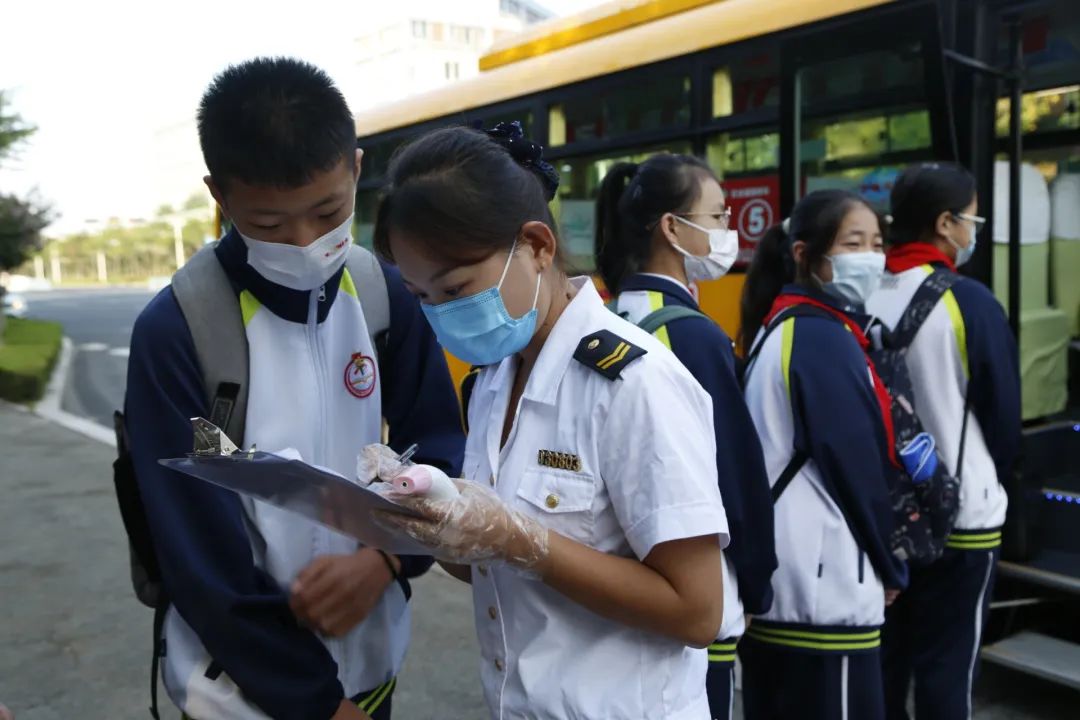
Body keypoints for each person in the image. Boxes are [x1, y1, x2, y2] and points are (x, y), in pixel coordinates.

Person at [124, 58, 464, 720]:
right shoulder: (181, 331)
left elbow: (442, 446)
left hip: (370, 667)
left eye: (328, 211)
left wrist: (386, 561)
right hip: (242, 696)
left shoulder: (381, 294)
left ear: (357, 168)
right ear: (218, 195)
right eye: (271, 225)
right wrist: (314, 703)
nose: (306, 243)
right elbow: (198, 551)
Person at [371, 122, 729, 720]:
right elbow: (493, 572)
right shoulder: (492, 380)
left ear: (537, 245)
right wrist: (433, 525)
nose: (441, 315)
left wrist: (523, 540)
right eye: (421, 298)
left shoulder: (634, 385)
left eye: (456, 288)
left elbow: (697, 612)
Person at [594, 154, 777, 719]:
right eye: (718, 217)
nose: (728, 232)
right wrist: (755, 584)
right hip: (698, 599)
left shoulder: (609, 317)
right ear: (673, 228)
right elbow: (737, 478)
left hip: (630, 591)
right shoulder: (690, 335)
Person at [737, 189, 908, 720]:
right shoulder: (819, 336)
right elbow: (856, 470)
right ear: (805, 255)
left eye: (877, 242)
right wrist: (890, 565)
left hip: (791, 584)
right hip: (821, 592)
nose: (871, 256)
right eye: (853, 242)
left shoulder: (788, 325)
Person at [868, 163, 1021, 720]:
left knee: (887, 662)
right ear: (945, 223)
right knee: (947, 673)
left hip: (883, 515)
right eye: (972, 218)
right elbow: (1004, 419)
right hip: (962, 517)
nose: (973, 229)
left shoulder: (863, 294)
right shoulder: (970, 302)